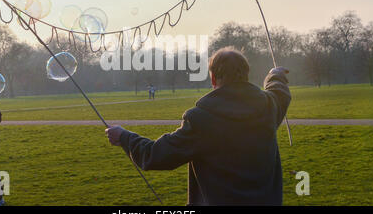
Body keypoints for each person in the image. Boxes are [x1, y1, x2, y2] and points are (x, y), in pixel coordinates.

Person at [106, 47, 291, 205]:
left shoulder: (201, 120)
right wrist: (275, 76)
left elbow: (155, 155)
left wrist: (124, 137)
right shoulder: (269, 106)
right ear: (246, 75)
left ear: (213, 78)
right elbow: (279, 93)